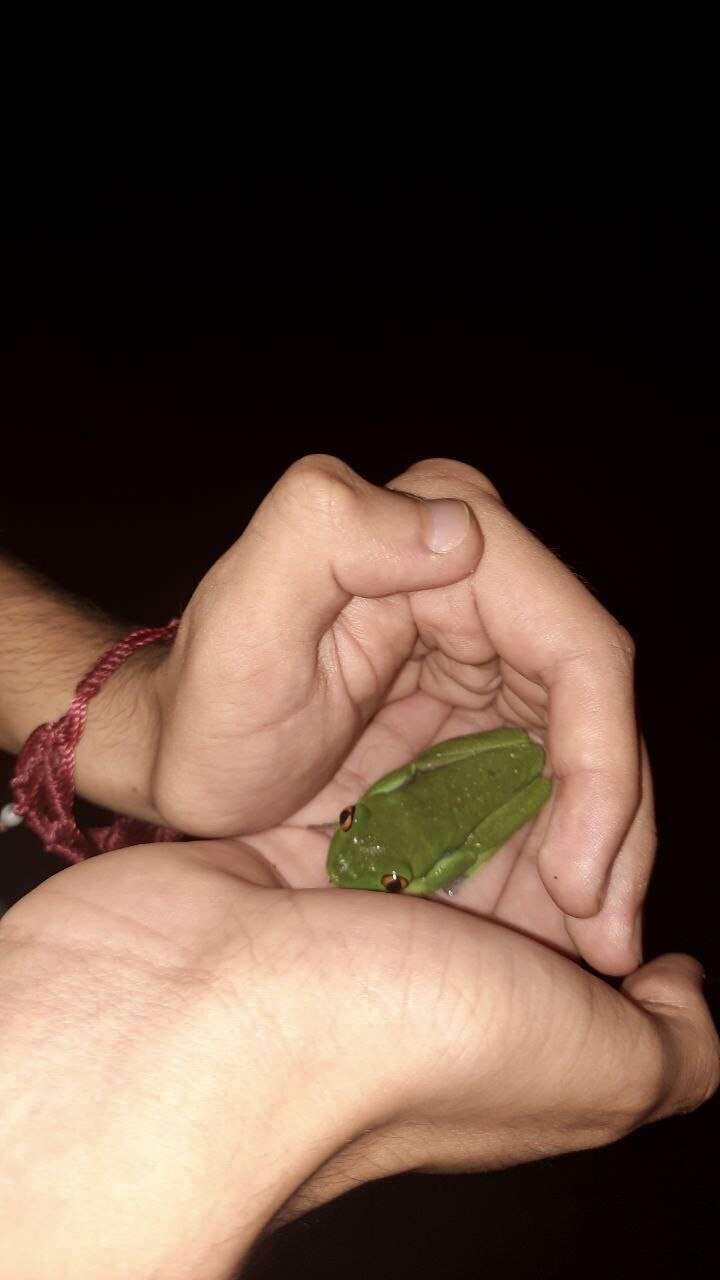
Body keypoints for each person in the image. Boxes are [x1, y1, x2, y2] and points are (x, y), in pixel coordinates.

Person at [0, 455, 716, 1279]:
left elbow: (437, 822)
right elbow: (419, 823)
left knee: (483, 790)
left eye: (348, 821)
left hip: (481, 781)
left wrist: (135, 719)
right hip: (429, 806)